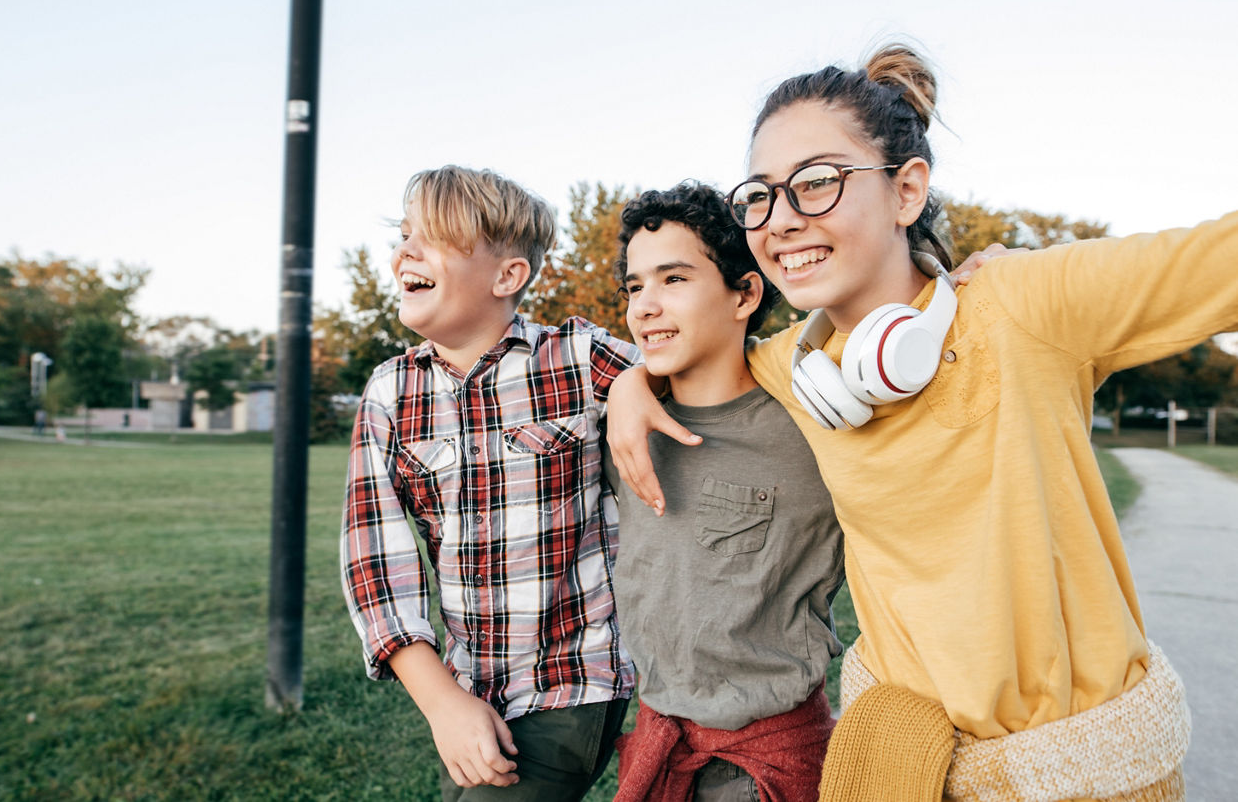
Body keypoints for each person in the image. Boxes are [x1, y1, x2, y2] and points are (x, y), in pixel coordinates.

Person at [608, 43, 1238, 801]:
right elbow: (687, 338)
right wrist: (632, 383)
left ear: (906, 193)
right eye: (761, 196)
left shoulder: (1024, 303)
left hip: (1084, 774)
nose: (781, 220)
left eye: (817, 183)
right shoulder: (795, 366)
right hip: (901, 764)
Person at [341, 166, 639, 801]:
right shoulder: (390, 392)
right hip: (466, 690)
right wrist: (443, 704)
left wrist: (640, 385)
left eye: (436, 238)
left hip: (575, 681)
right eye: (404, 234)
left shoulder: (576, 360)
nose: (405, 253)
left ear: (508, 276)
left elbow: (691, 362)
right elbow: (374, 565)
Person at [606, 182, 842, 801]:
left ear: (745, 293)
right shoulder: (626, 429)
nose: (645, 306)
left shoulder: (811, 420)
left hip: (768, 758)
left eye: (674, 279)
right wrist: (628, 386)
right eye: (635, 287)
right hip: (661, 744)